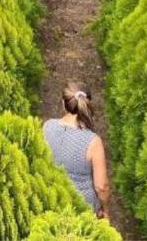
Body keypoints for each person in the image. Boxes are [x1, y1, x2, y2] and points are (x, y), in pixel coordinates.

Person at [43, 83, 111, 217]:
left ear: (63, 103)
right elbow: (101, 186)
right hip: (83, 210)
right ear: (87, 104)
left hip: (52, 201)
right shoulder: (93, 141)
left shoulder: (47, 127)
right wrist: (105, 209)